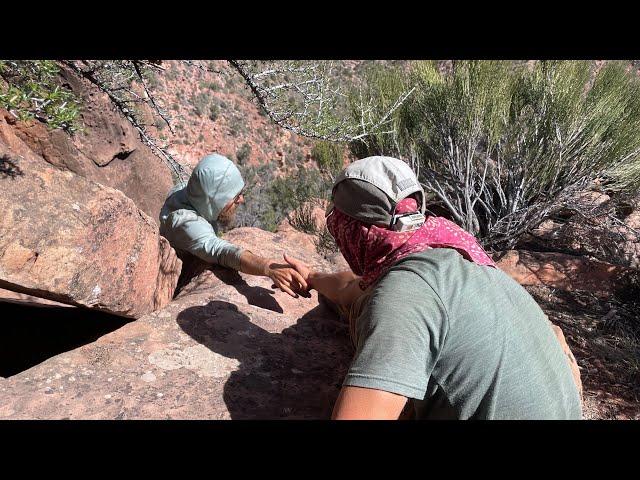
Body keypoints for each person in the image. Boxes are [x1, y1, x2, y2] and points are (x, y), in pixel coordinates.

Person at [284, 156, 582, 420]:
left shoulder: (403, 297)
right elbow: (354, 288)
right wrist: (312, 277)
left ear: (352, 231)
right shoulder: (448, 252)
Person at [159, 153, 306, 297]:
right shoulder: (186, 223)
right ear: (214, 201)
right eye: (235, 196)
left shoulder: (191, 191)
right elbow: (220, 251)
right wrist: (268, 267)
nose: (241, 200)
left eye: (240, 193)